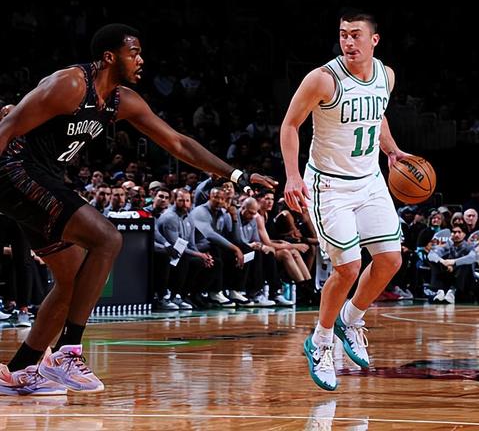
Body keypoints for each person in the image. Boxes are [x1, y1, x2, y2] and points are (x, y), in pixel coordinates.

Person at [0, 23, 276, 396]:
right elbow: (8, 126)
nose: (141, 60)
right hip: (15, 171)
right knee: (107, 238)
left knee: (73, 278)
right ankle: (68, 351)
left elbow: (178, 143)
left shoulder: (121, 100)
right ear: (109, 57)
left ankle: (20, 369)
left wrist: (237, 174)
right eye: (134, 52)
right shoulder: (71, 85)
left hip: (45, 176)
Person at [280, 10, 409, 391]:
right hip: (329, 185)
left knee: (390, 260)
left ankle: (350, 318)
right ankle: (320, 341)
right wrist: (292, 175)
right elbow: (290, 125)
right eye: (343, 35)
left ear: (374, 40)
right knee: (348, 268)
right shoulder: (323, 79)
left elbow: (378, 115)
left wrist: (392, 150)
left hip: (370, 180)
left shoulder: (386, 76)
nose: (348, 42)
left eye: (356, 35)